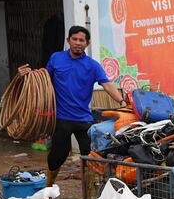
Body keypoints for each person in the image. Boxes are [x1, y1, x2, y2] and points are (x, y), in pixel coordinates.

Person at [18, 25, 126, 186]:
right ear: (68, 41)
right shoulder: (56, 58)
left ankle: (89, 193)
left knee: (90, 156)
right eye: (74, 39)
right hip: (62, 118)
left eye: (81, 40)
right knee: (57, 156)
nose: (77, 43)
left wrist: (122, 102)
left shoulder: (92, 65)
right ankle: (49, 185)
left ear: (87, 43)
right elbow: (43, 80)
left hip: (84, 119)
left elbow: (107, 85)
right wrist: (26, 76)